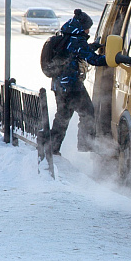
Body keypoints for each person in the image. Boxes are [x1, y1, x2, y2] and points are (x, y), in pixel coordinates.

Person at [49, 8, 107, 155]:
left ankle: (51, 148)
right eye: (87, 28)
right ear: (82, 27)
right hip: (72, 86)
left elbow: (78, 51)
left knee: (62, 117)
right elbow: (94, 60)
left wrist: (93, 46)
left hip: (59, 85)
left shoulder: (66, 36)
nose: (88, 31)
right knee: (87, 113)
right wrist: (115, 59)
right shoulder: (76, 40)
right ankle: (86, 147)